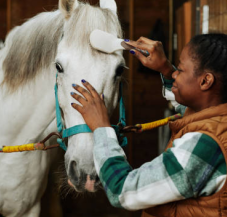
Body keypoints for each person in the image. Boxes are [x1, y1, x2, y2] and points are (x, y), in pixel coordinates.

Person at [70, 33, 227, 217]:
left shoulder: (205, 146)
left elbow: (122, 191)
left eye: (181, 70)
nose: (175, 73)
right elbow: (186, 108)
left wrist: (101, 128)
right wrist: (166, 69)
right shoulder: (214, 117)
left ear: (205, 81)